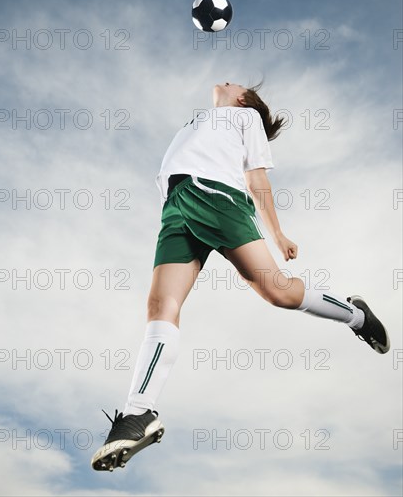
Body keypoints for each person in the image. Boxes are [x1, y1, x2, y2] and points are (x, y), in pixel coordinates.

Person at [91, 82, 390, 472]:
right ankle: (138, 413)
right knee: (160, 305)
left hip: (214, 196)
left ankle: (357, 315)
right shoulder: (203, 119)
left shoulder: (245, 116)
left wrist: (278, 233)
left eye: (237, 85)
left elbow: (257, 179)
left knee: (278, 291)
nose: (227, 83)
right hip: (177, 204)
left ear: (245, 100)